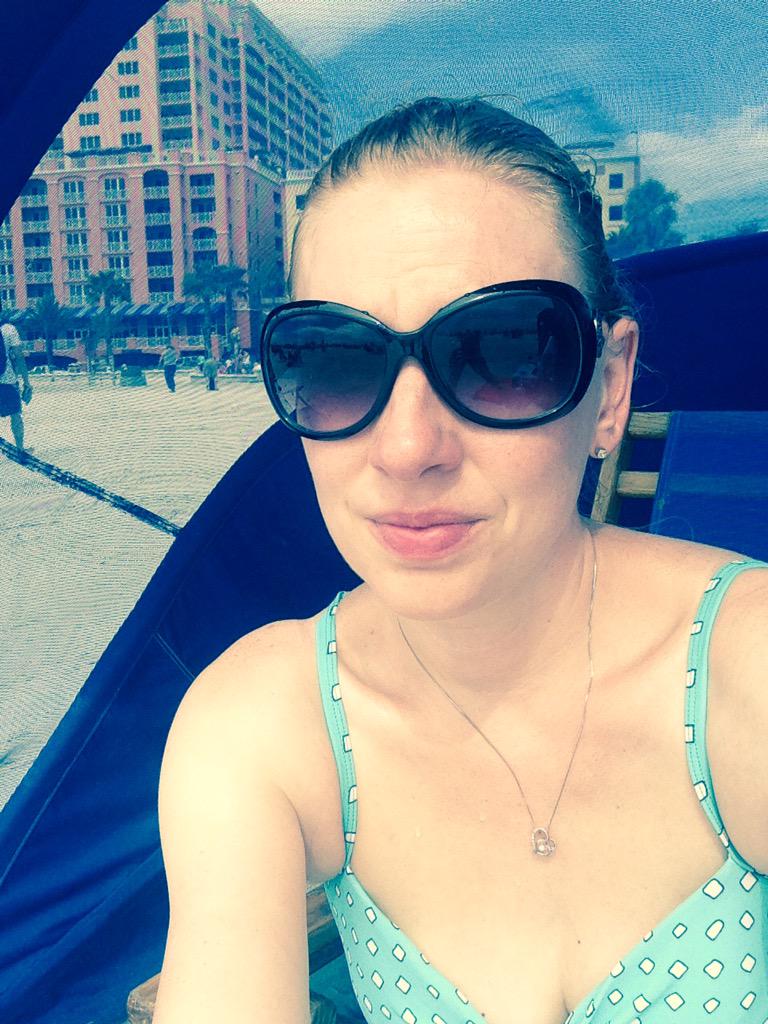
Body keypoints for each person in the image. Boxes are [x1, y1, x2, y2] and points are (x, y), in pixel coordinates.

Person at [153, 98, 768, 1024]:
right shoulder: (261, 726)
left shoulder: (745, 672)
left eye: (502, 353)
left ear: (609, 388)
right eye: (337, 361)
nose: (408, 448)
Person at [0, 318, 32, 450]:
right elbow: (19, 356)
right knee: (16, 414)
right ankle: (20, 449)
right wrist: (26, 382)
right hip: (7, 379)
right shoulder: (9, 329)